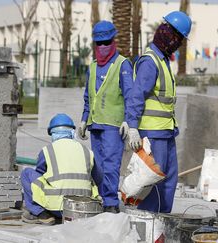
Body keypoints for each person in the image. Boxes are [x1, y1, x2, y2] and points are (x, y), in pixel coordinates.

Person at [126, 11, 192, 213]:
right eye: (178, 38)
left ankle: (163, 221)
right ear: (168, 34)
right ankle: (149, 223)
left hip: (166, 132)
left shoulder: (162, 59)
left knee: (169, 181)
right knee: (153, 182)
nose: (178, 43)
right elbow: (136, 96)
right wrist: (132, 126)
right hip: (153, 134)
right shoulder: (150, 61)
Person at [78, 20, 133, 213]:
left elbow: (130, 95)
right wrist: (84, 119)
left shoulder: (122, 64)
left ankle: (110, 203)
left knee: (111, 165)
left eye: (106, 42)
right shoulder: (92, 67)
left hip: (113, 125)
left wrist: (129, 120)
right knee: (98, 167)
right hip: (96, 125)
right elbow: (88, 96)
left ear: (113, 41)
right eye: (99, 43)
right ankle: (103, 198)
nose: (102, 47)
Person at [21, 114, 102, 225]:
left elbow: (40, 174)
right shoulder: (87, 151)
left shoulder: (47, 150)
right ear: (72, 132)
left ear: (52, 133)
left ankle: (40, 214)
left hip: (56, 207)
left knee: (27, 173)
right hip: (82, 208)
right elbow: (99, 177)